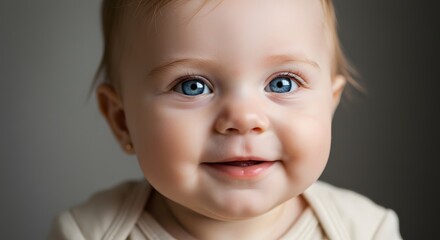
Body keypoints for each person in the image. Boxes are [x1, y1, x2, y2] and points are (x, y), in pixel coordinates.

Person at [49, 0, 402, 239]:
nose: (244, 119)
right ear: (122, 120)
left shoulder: (365, 230)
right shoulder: (88, 232)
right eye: (192, 86)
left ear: (330, 104)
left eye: (282, 83)